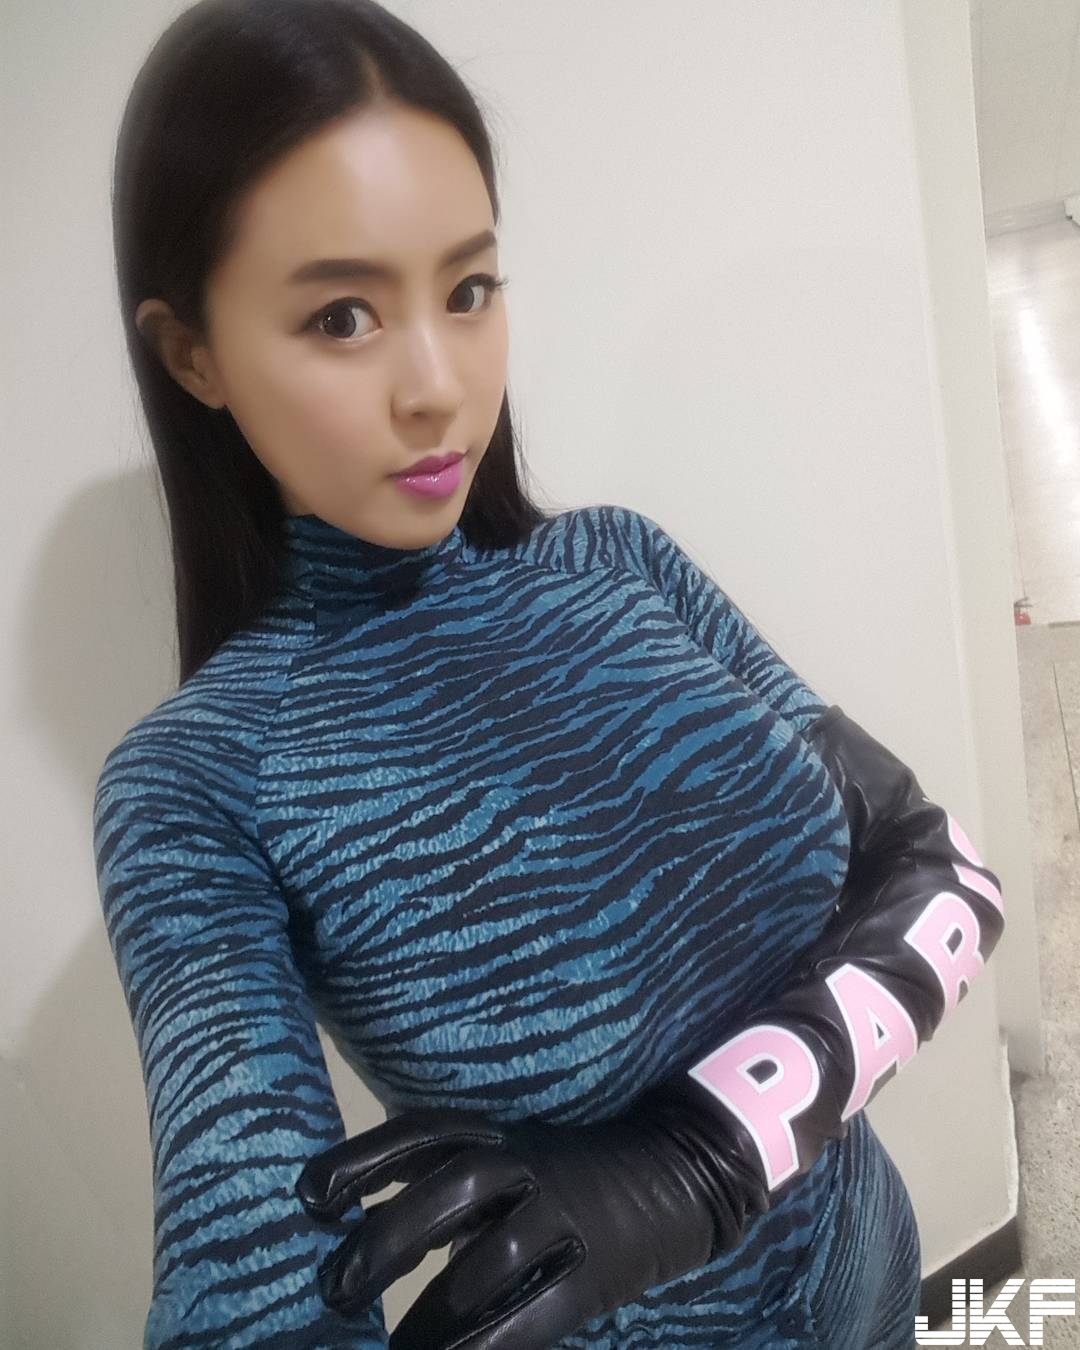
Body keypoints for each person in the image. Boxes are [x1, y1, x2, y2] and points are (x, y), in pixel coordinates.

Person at [93, 2, 1005, 1347]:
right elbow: (252, 1285)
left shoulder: (622, 562)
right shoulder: (199, 784)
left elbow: (946, 876)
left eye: (468, 290)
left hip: (876, 1269)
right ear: (194, 354)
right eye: (343, 315)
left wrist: (700, 1159)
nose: (437, 385)